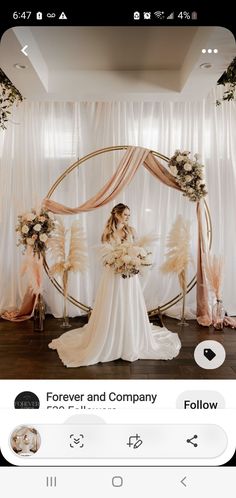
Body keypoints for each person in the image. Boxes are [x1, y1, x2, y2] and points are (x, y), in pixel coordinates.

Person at [49, 203, 181, 367]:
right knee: (112, 302)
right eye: (125, 214)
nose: (127, 217)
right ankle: (111, 336)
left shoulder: (131, 231)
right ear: (117, 214)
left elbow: (137, 248)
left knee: (129, 303)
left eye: (128, 215)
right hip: (113, 274)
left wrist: (135, 261)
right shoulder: (107, 233)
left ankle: (130, 337)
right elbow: (105, 256)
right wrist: (116, 262)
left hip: (129, 275)